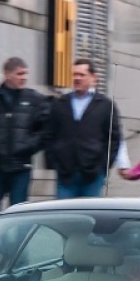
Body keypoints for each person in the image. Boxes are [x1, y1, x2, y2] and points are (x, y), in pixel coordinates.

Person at [0, 56, 48, 220]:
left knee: (18, 215)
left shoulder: (35, 100)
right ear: (7, 75)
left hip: (21, 167)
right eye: (19, 74)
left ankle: (13, 246)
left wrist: (27, 147)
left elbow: (45, 131)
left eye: (25, 74)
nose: (24, 78)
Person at [43, 58, 124, 198]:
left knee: (90, 215)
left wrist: (104, 167)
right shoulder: (60, 104)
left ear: (93, 77)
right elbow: (49, 135)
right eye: (74, 74)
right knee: (64, 215)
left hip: (93, 174)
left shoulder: (105, 105)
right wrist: (55, 162)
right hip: (65, 173)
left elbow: (114, 139)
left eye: (82, 74)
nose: (77, 78)